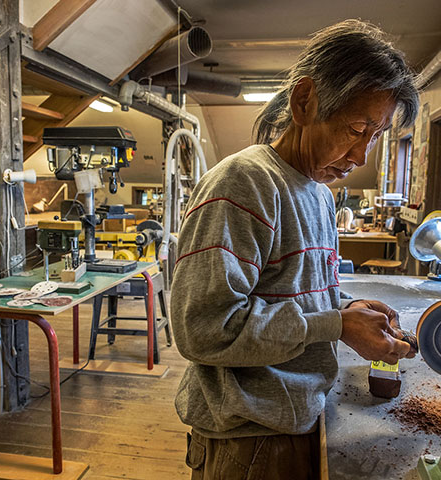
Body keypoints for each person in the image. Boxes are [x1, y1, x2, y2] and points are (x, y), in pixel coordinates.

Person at [171, 19, 420, 480]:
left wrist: (346, 307)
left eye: (376, 135)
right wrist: (336, 323)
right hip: (250, 437)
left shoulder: (319, 194)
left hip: (297, 417)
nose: (362, 155)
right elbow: (202, 329)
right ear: (305, 102)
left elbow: (293, 293)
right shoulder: (244, 184)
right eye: (356, 128)